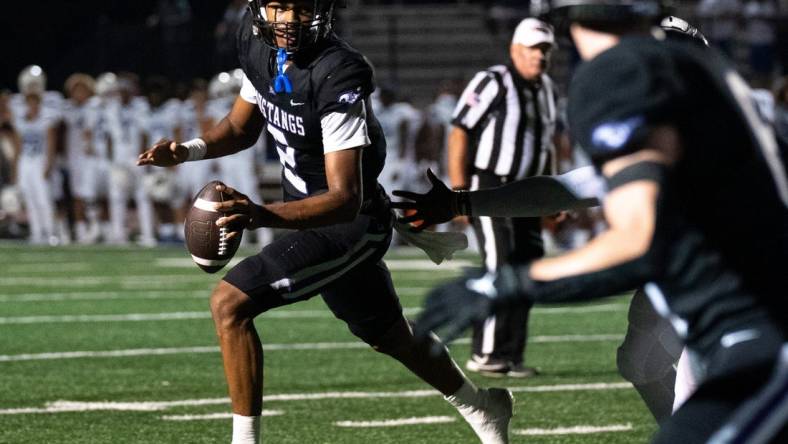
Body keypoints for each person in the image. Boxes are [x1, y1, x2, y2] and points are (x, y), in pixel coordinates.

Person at [411, 1, 788, 442]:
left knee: (702, 406)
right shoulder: (704, 118)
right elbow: (566, 188)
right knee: (642, 362)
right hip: (729, 290)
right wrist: (462, 203)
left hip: (759, 320)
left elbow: (637, 240)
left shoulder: (635, 81)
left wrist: (505, 284)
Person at [137, 2, 513, 443]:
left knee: (229, 304)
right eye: (279, 7)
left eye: (302, 7)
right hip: (308, 212)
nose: (290, 20)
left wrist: (261, 214)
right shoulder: (257, 41)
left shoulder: (338, 72)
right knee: (391, 336)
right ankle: (483, 407)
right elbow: (241, 128)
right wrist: (188, 150)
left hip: (349, 224)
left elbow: (343, 199)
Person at [447, 17, 558, 377]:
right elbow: (461, 130)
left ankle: (511, 354)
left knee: (527, 270)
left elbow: (547, 145)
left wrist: (553, 197)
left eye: (546, 50)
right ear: (515, 49)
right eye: (534, 49)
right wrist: (459, 191)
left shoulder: (547, 89)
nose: (540, 57)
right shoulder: (493, 81)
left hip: (529, 192)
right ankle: (487, 353)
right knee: (500, 265)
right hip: (492, 188)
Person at [8, 67, 59, 245]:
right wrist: (16, 170)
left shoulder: (47, 115)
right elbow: (17, 146)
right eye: (29, 101)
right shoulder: (20, 117)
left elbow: (51, 144)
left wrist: (49, 164)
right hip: (25, 162)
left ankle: (51, 232)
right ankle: (37, 233)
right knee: (29, 198)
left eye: (34, 101)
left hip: (40, 160)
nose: (31, 104)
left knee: (43, 198)